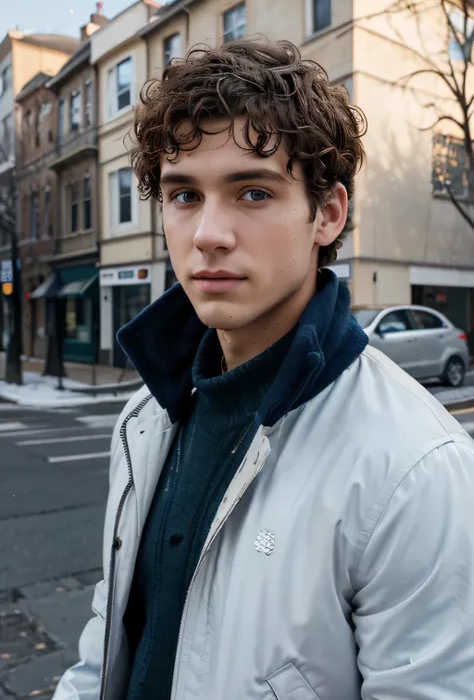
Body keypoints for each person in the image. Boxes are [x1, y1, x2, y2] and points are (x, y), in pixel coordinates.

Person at [53, 39, 474, 700]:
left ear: (327, 214)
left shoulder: (415, 467)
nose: (208, 233)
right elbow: (108, 642)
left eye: (252, 191)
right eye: (184, 194)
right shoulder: (143, 419)